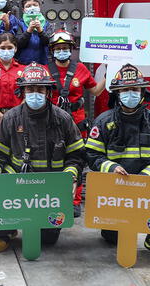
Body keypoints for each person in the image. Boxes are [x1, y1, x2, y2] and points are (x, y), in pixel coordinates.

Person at [0, 63, 85, 252]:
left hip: (50, 189)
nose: (35, 93)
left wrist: (71, 176)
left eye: (40, 89)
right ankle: (5, 232)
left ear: (48, 92)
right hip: (17, 184)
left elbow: (76, 154)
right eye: (30, 89)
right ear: (22, 91)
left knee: (47, 240)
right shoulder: (10, 118)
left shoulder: (62, 119)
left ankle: (40, 226)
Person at [85, 64, 150, 266]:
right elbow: (92, 155)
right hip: (116, 184)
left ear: (143, 92)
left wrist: (148, 176)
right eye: (126, 90)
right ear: (117, 93)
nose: (131, 94)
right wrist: (110, 167)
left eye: (135, 90)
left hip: (148, 180)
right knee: (112, 238)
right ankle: (112, 227)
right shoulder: (104, 122)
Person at [47, 30, 106, 217]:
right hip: (52, 122)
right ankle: (54, 198)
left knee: (76, 161)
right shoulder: (46, 70)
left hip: (77, 124)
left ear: (71, 50)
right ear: (52, 51)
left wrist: (110, 72)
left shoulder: (80, 69)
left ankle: (74, 201)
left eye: (65, 48)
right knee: (53, 161)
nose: (62, 51)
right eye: (58, 48)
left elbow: (95, 91)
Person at [16, 0, 51, 65]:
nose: (32, 8)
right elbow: (18, 44)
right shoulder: (19, 23)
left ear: (39, 7)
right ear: (23, 10)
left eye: (35, 5)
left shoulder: (47, 24)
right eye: (28, 6)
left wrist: (40, 30)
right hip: (23, 64)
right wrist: (29, 31)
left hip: (43, 63)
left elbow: (49, 43)